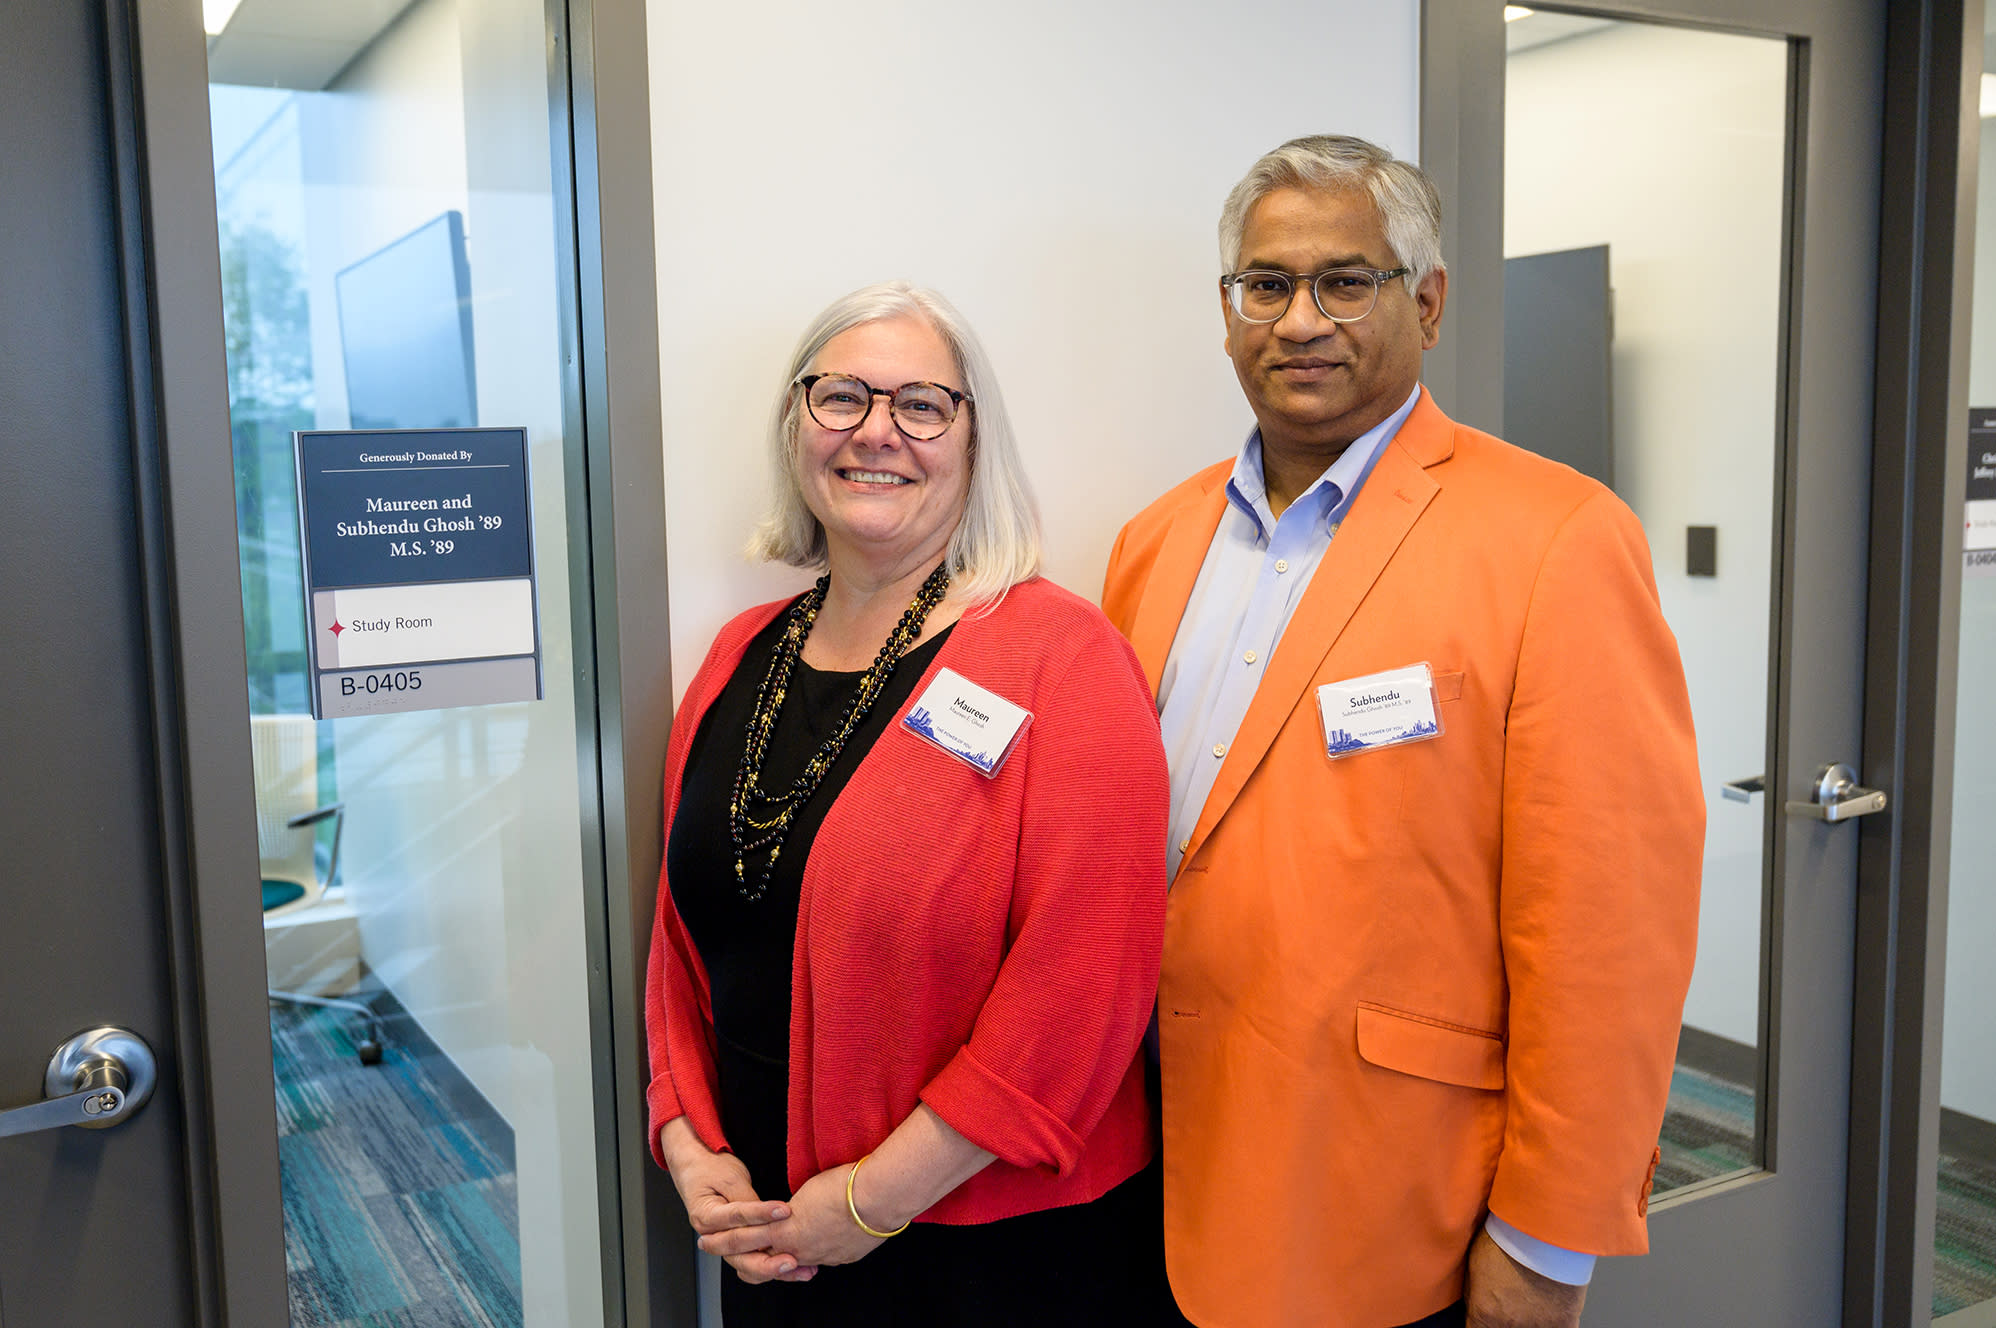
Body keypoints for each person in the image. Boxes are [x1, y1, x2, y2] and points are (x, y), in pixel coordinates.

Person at [1101, 135, 1704, 1328]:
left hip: (1387, 1196)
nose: (1298, 320)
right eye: (1266, 284)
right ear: (1227, 311)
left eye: (1344, 281)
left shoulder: (1556, 538)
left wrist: (1545, 1242)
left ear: (1425, 302)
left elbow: (1608, 925)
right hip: (1140, 1174)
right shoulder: (1153, 541)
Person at [645, 281, 1170, 1326]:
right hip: (771, 1228)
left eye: (921, 405)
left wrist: (868, 1201)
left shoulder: (1063, 659)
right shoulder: (736, 656)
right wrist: (688, 1141)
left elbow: (1085, 986)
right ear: (796, 424)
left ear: (974, 442)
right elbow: (682, 938)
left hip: (992, 1251)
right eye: (841, 396)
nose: (876, 431)